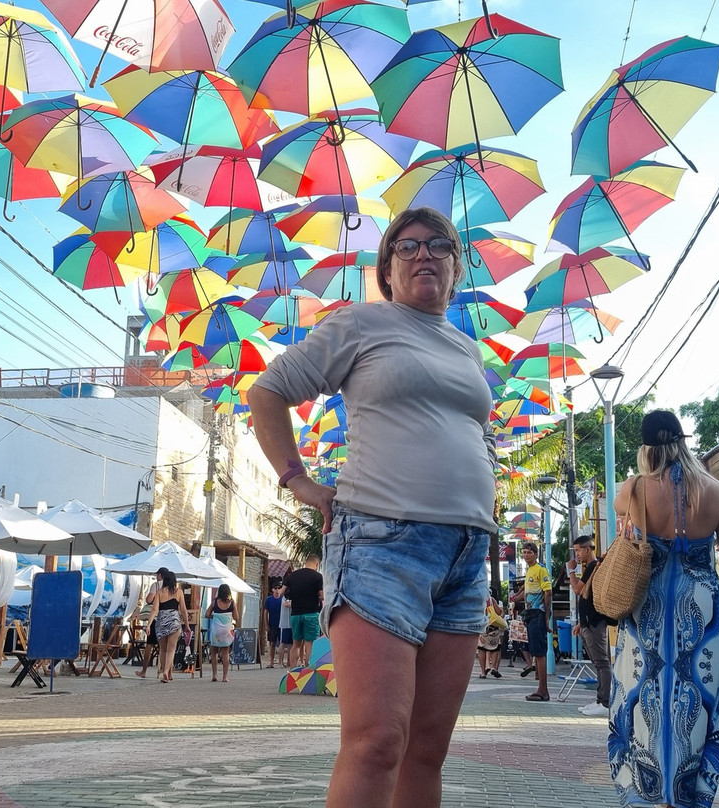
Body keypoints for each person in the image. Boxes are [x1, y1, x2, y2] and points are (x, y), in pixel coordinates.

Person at [250, 207, 496, 808]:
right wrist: (296, 480)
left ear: (455, 266)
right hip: (382, 544)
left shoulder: (467, 349)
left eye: (438, 245)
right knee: (377, 741)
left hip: (467, 554)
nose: (423, 255)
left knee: (428, 748)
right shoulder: (363, 323)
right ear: (387, 268)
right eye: (406, 247)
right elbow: (268, 391)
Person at [610, 410, 719, 808]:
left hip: (646, 609)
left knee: (643, 697)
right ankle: (689, 795)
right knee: (701, 700)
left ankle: (646, 793)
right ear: (683, 441)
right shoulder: (716, 491)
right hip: (701, 613)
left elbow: (626, 525)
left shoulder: (631, 490)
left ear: (646, 448)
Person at [566, 534, 612, 717]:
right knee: (597, 662)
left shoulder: (594, 566)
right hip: (587, 622)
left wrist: (571, 571)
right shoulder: (591, 567)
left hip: (595, 622)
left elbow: (578, 590)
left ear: (587, 549)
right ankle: (600, 700)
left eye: (578, 550)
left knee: (602, 662)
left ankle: (606, 702)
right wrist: (580, 622)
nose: (576, 555)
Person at [511, 541, 551, 701]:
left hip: (538, 614)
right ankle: (541, 688)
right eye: (524, 552)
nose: (526, 555)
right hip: (530, 614)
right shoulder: (530, 571)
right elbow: (527, 593)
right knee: (536, 652)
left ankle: (543, 690)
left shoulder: (540, 570)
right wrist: (515, 598)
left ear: (535, 554)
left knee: (539, 653)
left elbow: (548, 593)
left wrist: (547, 617)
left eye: (529, 552)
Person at [283, 555, 323, 667]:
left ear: (305, 563)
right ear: (317, 564)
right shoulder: (318, 577)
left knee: (296, 644)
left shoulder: (293, 575)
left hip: (296, 614)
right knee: (309, 644)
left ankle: (292, 671)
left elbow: (282, 592)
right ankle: (309, 671)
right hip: (311, 614)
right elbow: (323, 596)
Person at [206, 583, 238, 682]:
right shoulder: (232, 603)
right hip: (226, 631)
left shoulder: (215, 602)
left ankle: (215, 674)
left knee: (214, 652)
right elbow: (236, 617)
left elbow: (207, 614)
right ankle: (225, 676)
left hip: (216, 631)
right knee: (225, 653)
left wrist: (214, 616)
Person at [477, 587, 505, 679]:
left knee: (482, 649)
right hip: (493, 627)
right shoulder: (492, 600)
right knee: (494, 649)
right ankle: (493, 667)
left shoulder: (479, 600)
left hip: (483, 627)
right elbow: (499, 612)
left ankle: (483, 672)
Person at [265, 579, 284, 668]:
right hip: (272, 624)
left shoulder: (283, 599)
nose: (277, 590)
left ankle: (281, 661)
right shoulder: (269, 599)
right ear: (272, 589)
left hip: (282, 624)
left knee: (282, 643)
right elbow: (266, 612)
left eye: (279, 588)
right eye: (275, 588)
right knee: (272, 643)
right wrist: (266, 624)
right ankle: (271, 661)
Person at [279, 585, 294, 667]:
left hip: (291, 624)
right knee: (282, 643)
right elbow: (286, 604)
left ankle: (289, 662)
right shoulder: (284, 598)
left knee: (291, 644)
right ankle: (280, 662)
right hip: (285, 624)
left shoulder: (292, 599)